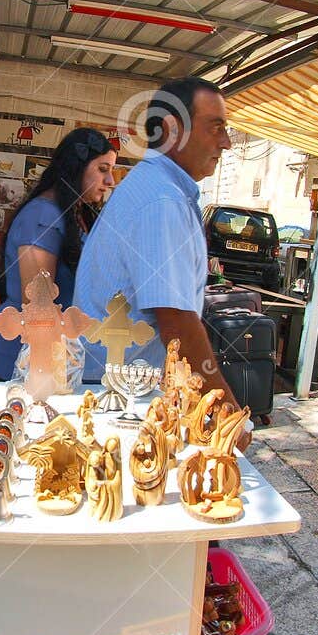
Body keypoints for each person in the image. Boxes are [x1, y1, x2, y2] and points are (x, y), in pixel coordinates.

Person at [74, 77, 246, 429]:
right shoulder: (161, 200)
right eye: (216, 128)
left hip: (122, 390)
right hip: (117, 400)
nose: (226, 143)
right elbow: (177, 322)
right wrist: (227, 413)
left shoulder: (161, 189)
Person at [0, 127, 117, 380]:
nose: (111, 181)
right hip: (28, 354)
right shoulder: (42, 216)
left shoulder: (74, 213)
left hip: (56, 350)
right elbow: (37, 305)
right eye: (102, 169)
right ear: (76, 168)